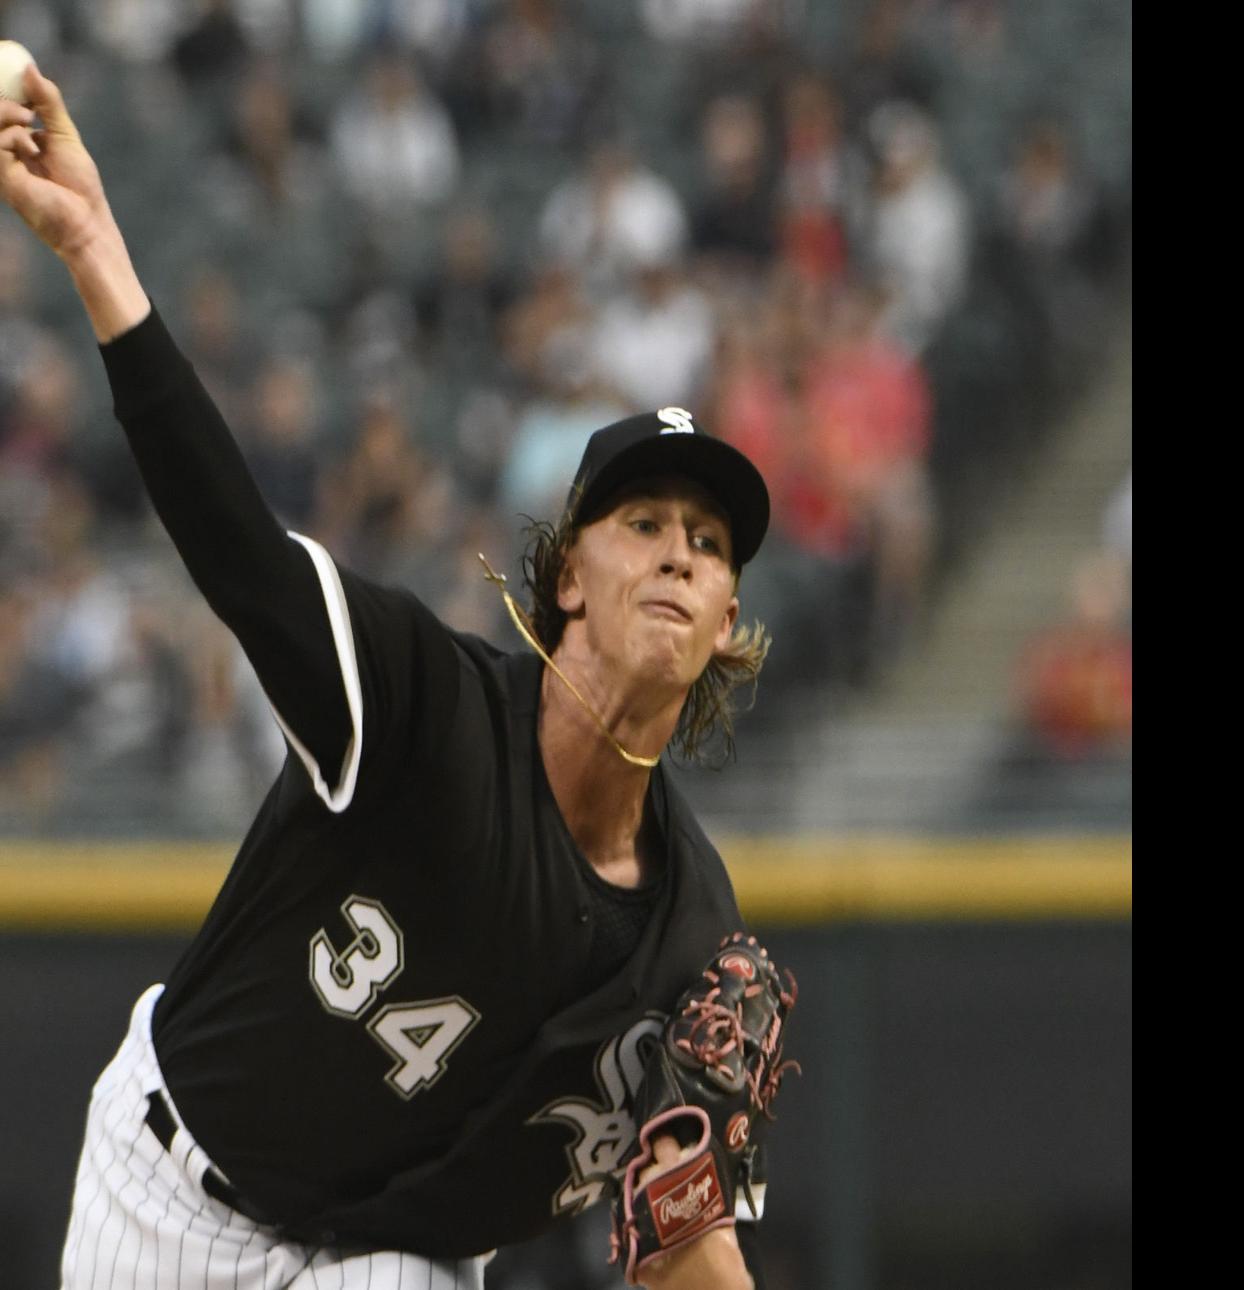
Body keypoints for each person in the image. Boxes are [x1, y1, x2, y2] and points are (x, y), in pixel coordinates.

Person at [1, 66, 781, 1290]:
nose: (680, 553)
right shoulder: (428, 706)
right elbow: (240, 555)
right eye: (645, 523)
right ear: (568, 575)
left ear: (730, 613)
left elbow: (684, 1242)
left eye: (711, 542)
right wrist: (97, 248)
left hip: (389, 1265)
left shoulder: (689, 940)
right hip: (170, 1191)